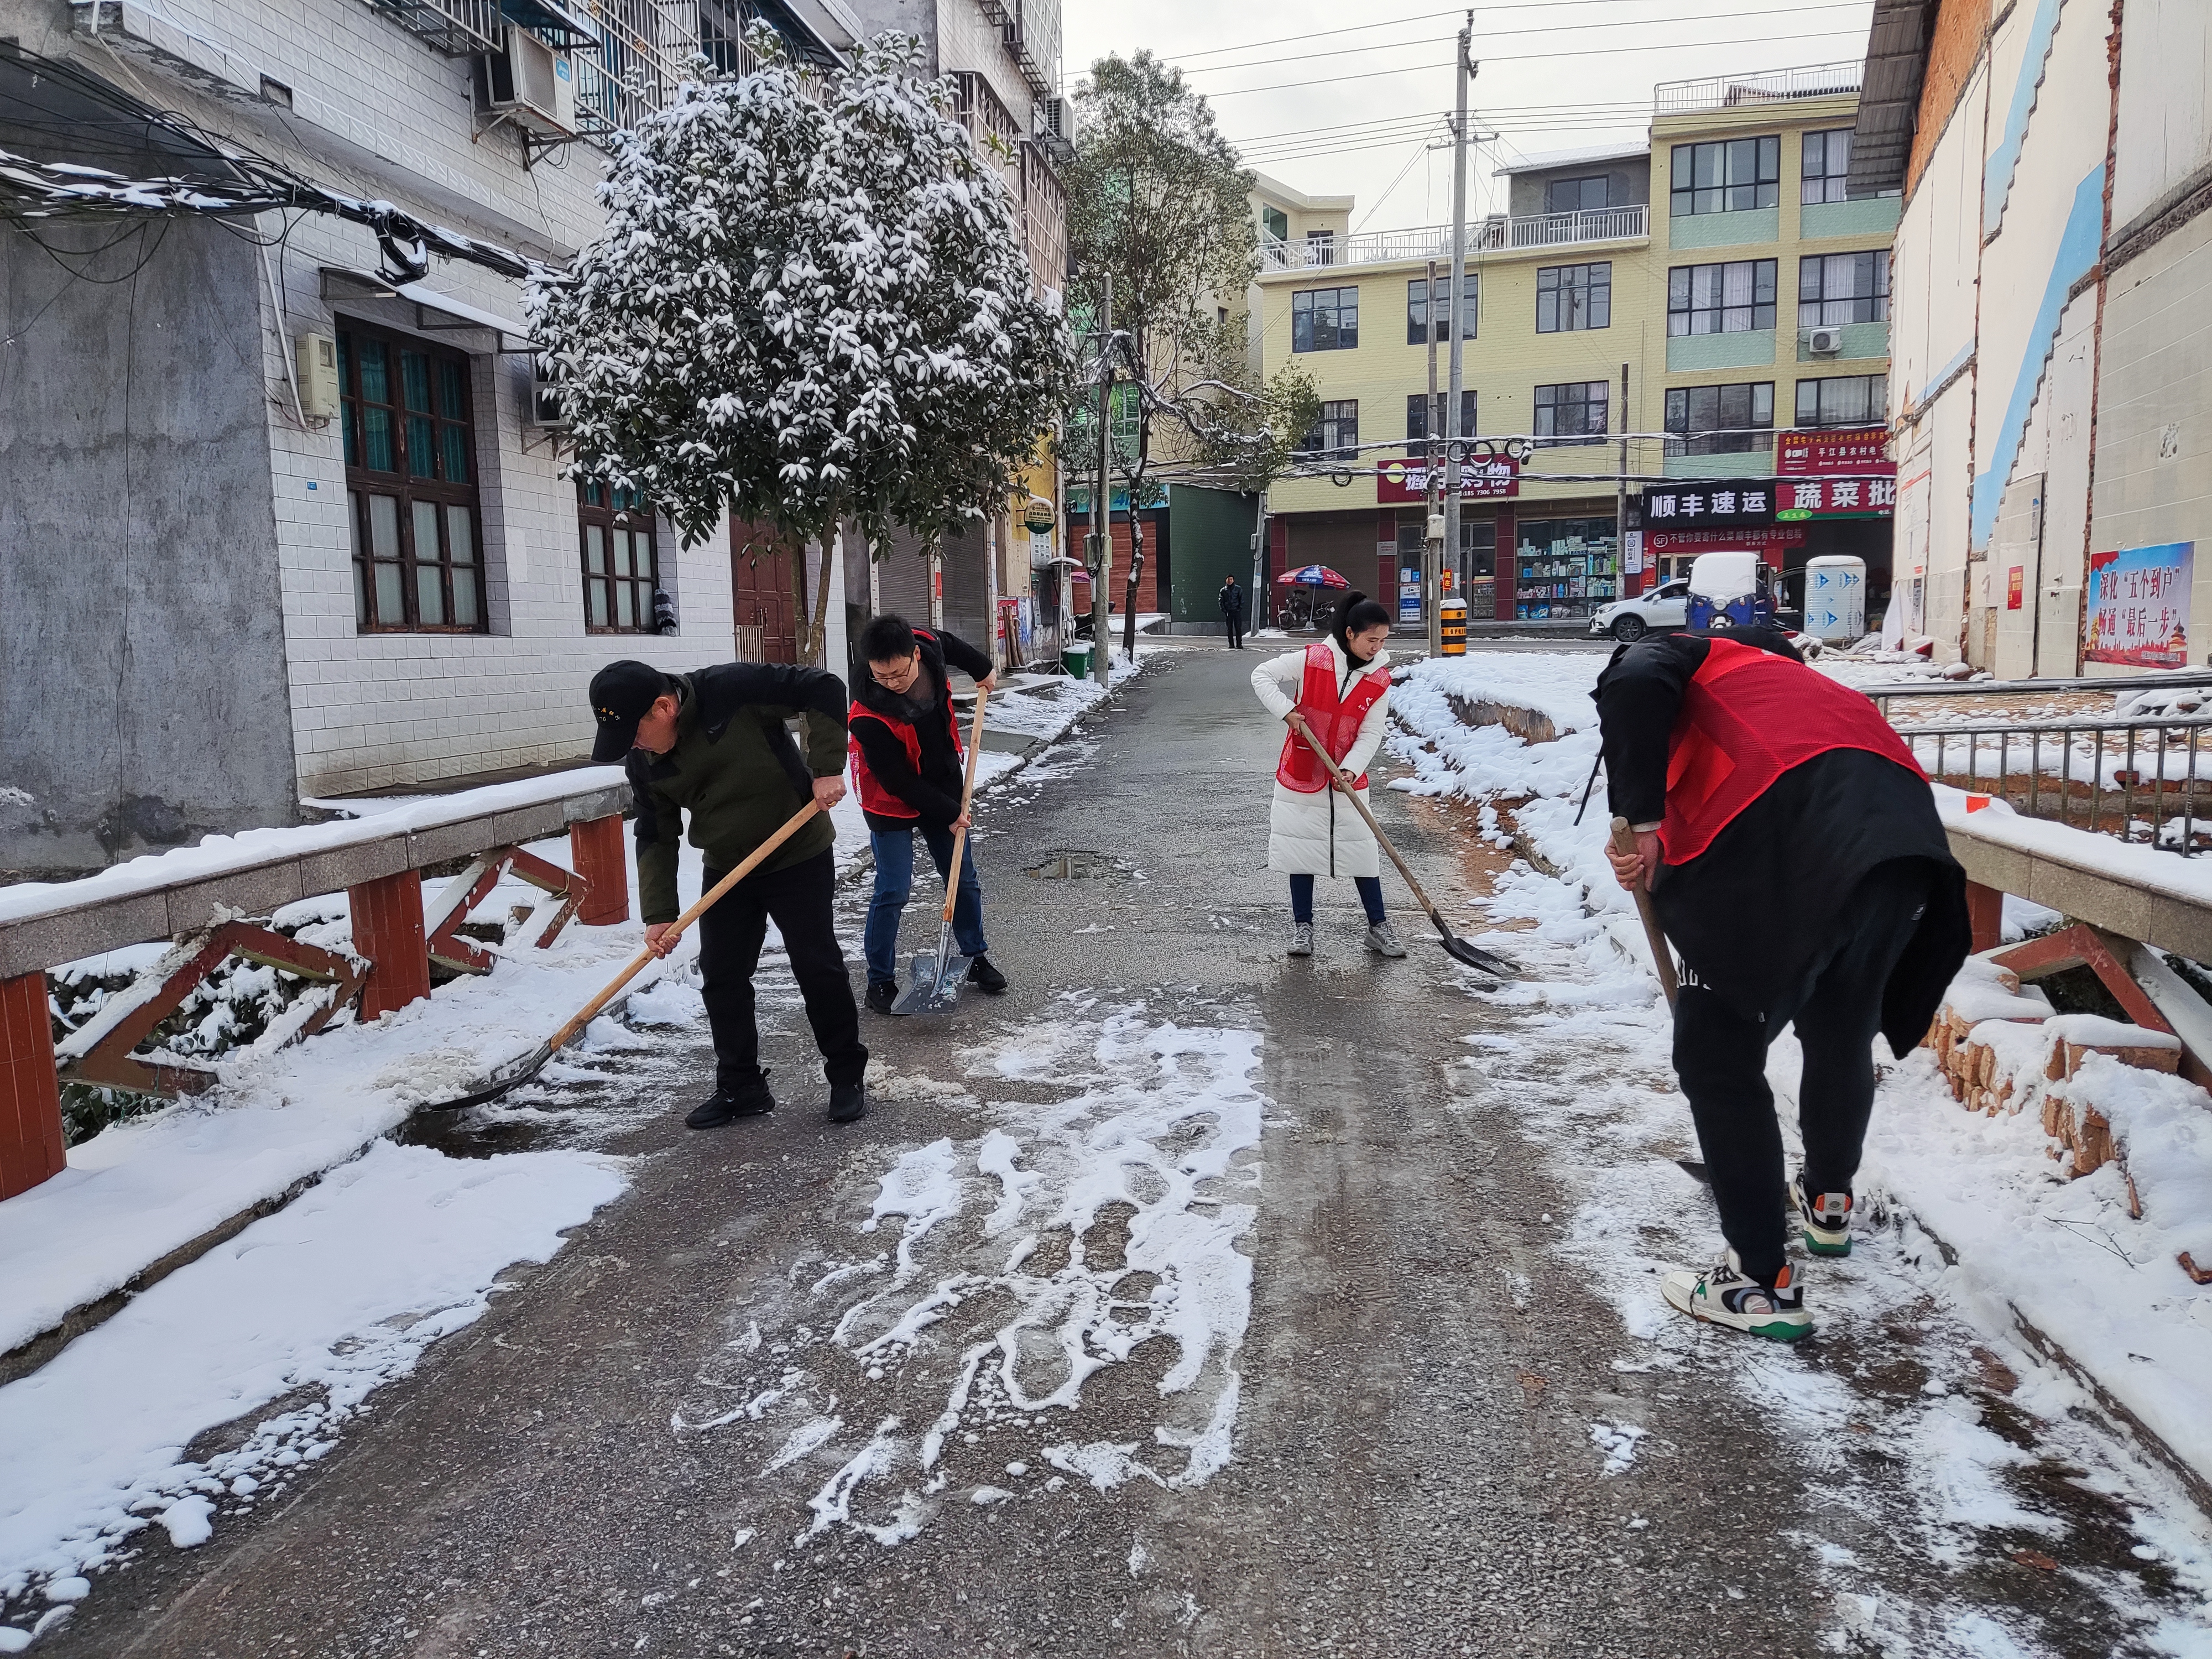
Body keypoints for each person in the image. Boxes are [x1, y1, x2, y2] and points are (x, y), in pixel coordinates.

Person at [1595, 622, 1970, 1342]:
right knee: (1841, 1032)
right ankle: (1827, 1203)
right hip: (1904, 851)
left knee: (1718, 1056)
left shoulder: (1683, 653)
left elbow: (1636, 681)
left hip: (1791, 843)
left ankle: (1759, 1282)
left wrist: (1641, 820)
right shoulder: (1811, 688)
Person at [588, 658, 870, 1128]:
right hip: (727, 867)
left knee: (816, 965)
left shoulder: (730, 690)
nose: (633, 747)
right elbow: (656, 834)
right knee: (722, 977)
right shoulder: (644, 761)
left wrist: (825, 767)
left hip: (796, 851)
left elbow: (822, 687)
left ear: (663, 707)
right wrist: (658, 914)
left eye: (636, 732)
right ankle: (742, 1088)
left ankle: (845, 1076)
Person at [847, 615, 1008, 1014]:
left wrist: (983, 669)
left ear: (916, 654)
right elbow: (899, 781)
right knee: (893, 889)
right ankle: (880, 980)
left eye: (899, 673)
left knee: (963, 879)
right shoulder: (867, 716)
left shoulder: (928, 647)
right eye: (881, 676)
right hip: (890, 799)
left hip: (942, 778)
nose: (892, 682)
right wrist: (951, 813)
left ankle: (974, 957)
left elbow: (950, 642)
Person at [1250, 591, 1406, 960]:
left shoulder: (1380, 679)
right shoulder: (1313, 659)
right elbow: (1263, 675)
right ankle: (1303, 928)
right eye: (1372, 639)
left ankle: (1378, 927)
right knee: (1300, 851)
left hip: (1347, 777)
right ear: (1350, 633)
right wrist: (1287, 711)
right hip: (1304, 770)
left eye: (1383, 640)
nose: (1378, 647)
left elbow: (1371, 733)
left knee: (1363, 852)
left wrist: (1353, 766)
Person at [1219, 575, 1247, 650]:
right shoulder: (1223, 590)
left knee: (1238, 628)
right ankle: (1231, 644)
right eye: (1228, 579)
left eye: (1231, 579)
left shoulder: (1238, 589)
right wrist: (1224, 610)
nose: (1230, 581)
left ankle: (1239, 644)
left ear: (1233, 580)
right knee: (1229, 628)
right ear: (1226, 580)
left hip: (1237, 611)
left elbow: (1242, 599)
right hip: (1228, 612)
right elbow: (1221, 601)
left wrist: (1239, 608)